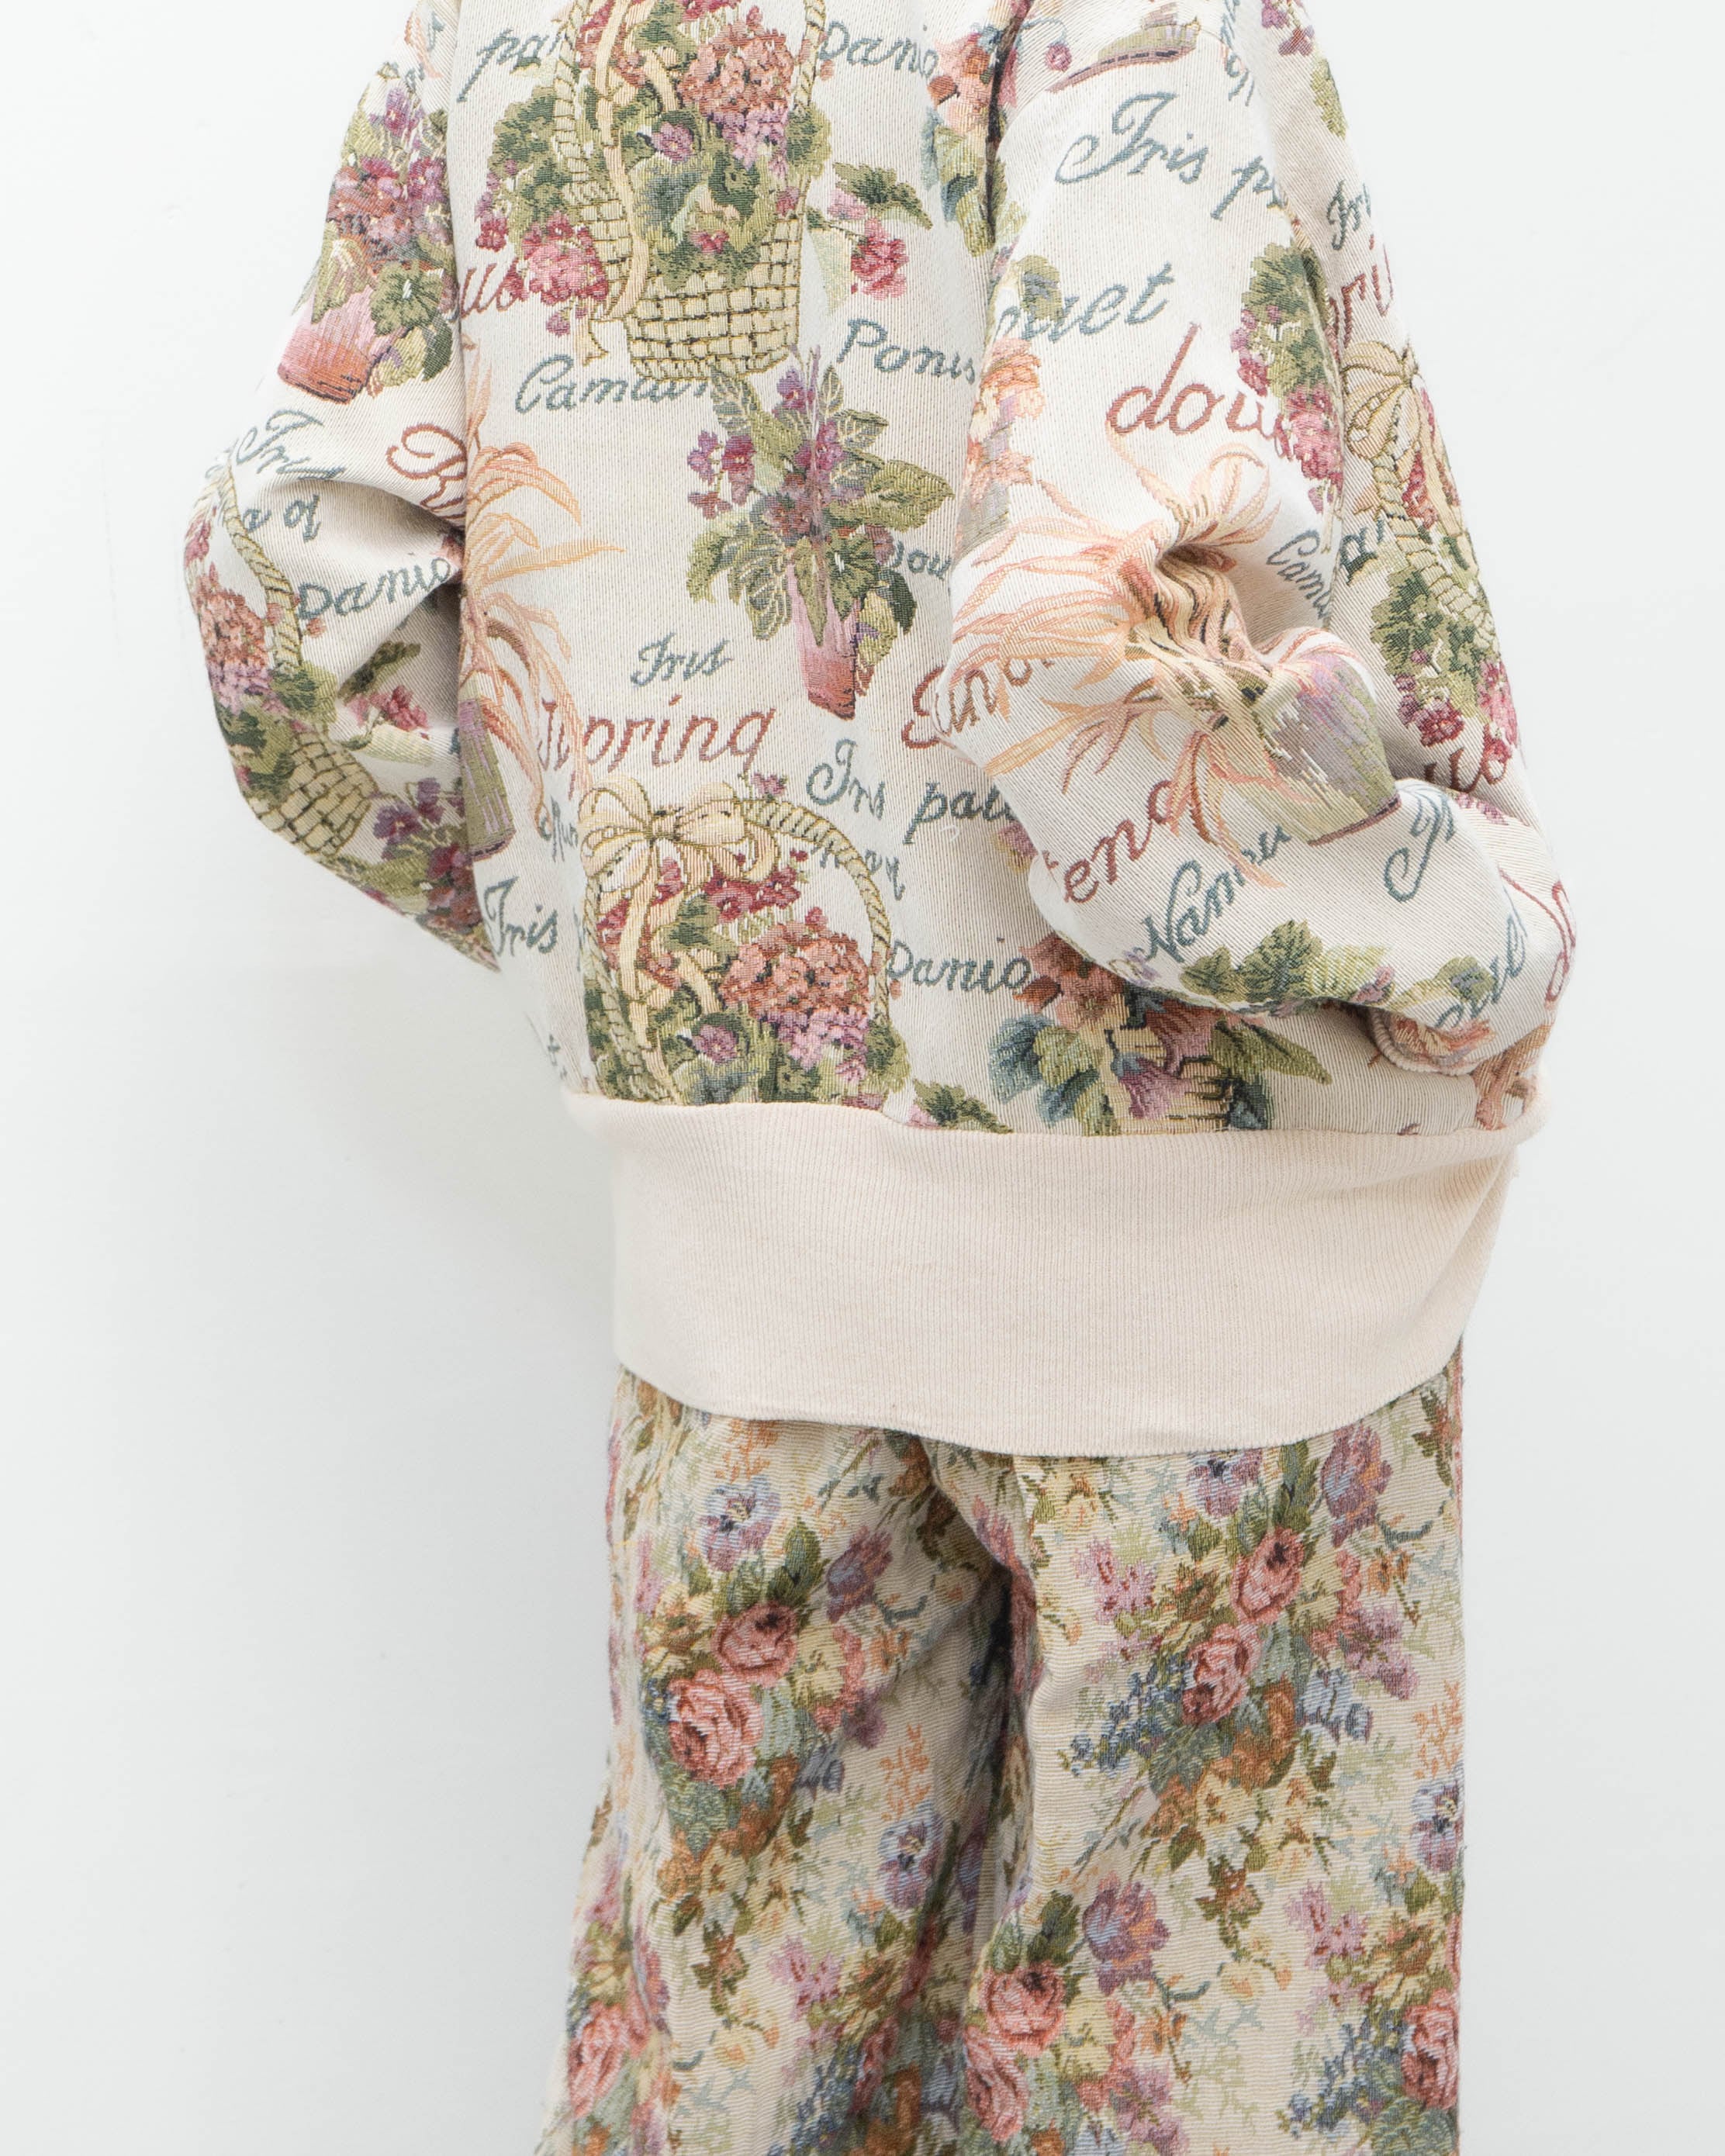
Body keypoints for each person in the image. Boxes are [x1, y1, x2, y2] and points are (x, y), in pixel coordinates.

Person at [184, 2, 1571, 2148]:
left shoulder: (490, 34)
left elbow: (308, 621)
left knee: (736, 2080)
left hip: (743, 1294)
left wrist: (636, 956)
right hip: (1230, 1292)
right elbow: (1134, 631)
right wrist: (1472, 959)